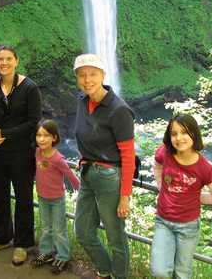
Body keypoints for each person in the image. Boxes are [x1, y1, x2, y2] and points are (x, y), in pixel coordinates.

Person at [0, 45, 42, 266]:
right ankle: (1, 238)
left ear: (16, 61)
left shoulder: (29, 88)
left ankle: (22, 244)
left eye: (8, 59)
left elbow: (33, 123)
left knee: (23, 198)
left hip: (21, 152)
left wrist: (3, 133)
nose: (4, 63)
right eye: (0, 59)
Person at [73, 54, 136, 279]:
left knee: (115, 237)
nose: (87, 79)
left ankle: (119, 276)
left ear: (103, 75)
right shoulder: (82, 101)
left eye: (93, 74)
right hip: (87, 172)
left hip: (110, 177)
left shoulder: (119, 111)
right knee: (82, 232)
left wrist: (125, 196)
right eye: (82, 75)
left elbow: (128, 155)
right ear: (77, 78)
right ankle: (106, 269)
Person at [151, 114, 212, 279]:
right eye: (174, 133)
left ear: (194, 134)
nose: (179, 138)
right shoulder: (165, 153)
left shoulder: (205, 168)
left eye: (184, 132)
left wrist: (191, 196)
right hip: (163, 221)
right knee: (160, 271)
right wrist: (160, 184)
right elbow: (156, 165)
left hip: (188, 227)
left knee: (182, 273)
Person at [31, 119, 80, 274]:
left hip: (57, 199)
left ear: (54, 138)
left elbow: (70, 176)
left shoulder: (58, 159)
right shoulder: (37, 152)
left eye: (46, 135)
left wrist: (80, 191)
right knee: (45, 226)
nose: (41, 139)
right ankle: (46, 251)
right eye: (38, 135)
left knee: (59, 229)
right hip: (42, 196)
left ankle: (63, 256)